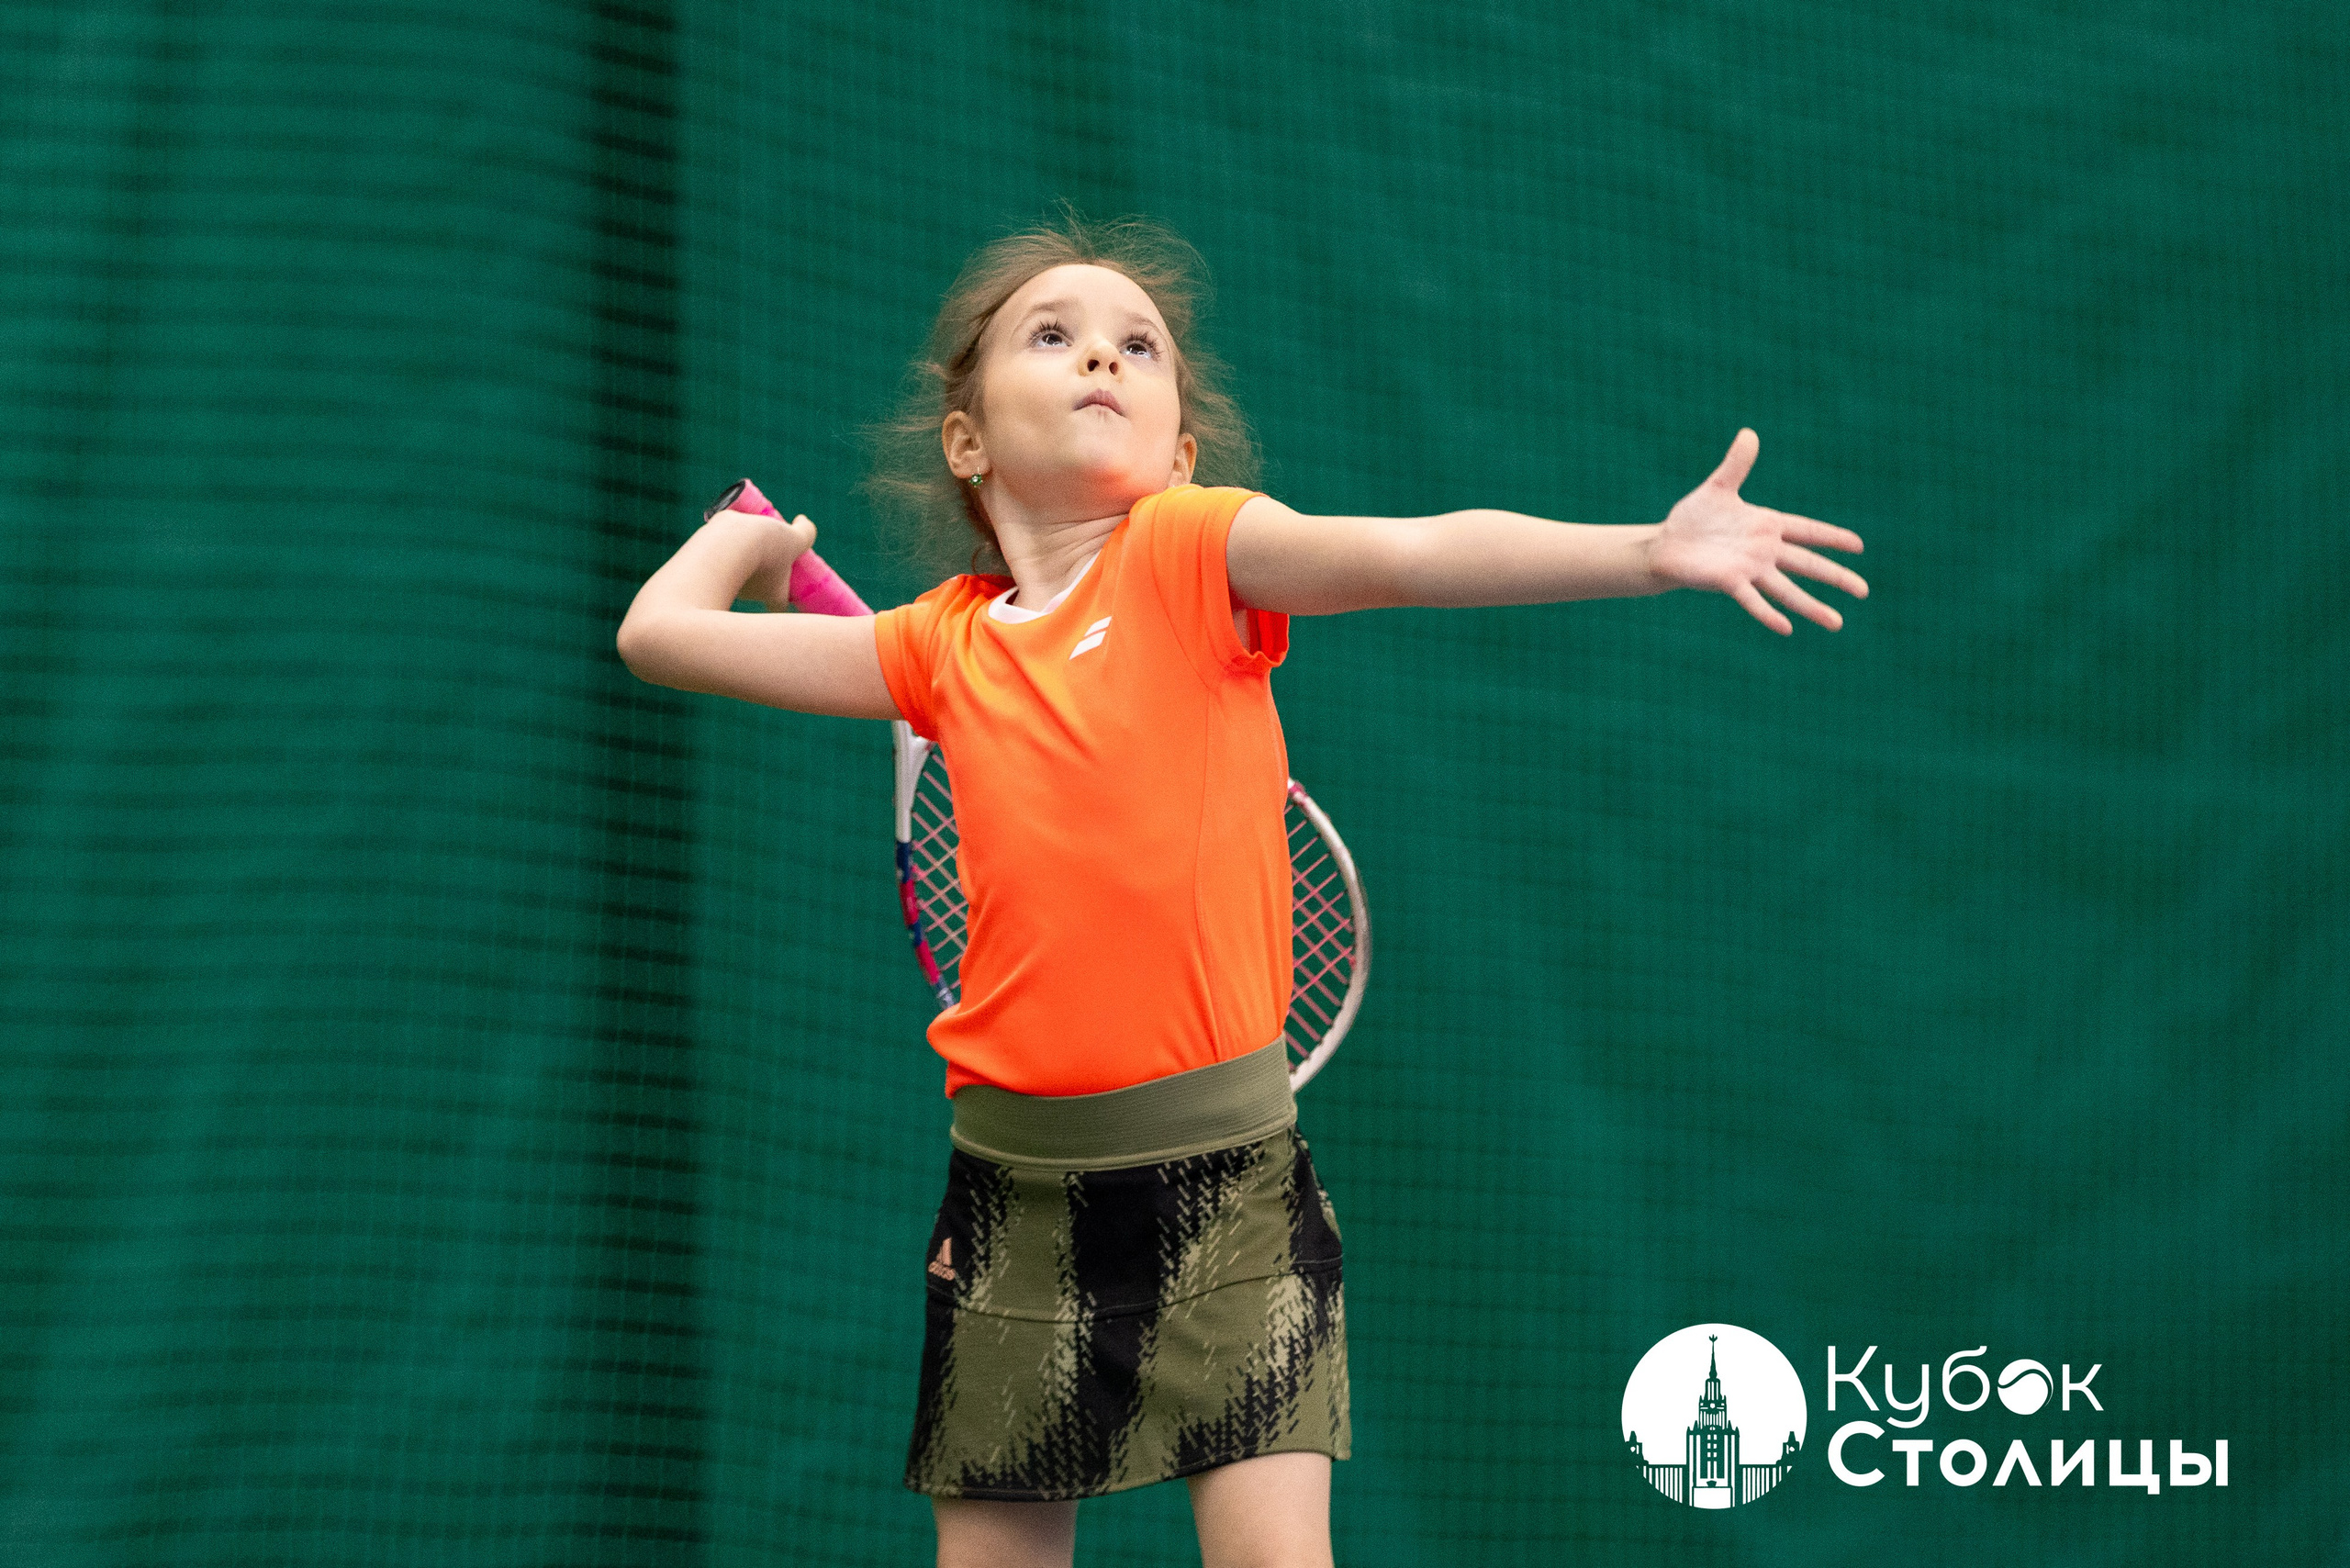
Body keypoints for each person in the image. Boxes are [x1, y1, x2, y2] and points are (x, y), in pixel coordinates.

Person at [615, 212, 1866, 1568]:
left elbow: (1412, 554)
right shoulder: (936, 649)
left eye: (1137, 347)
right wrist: (746, 548)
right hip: (1010, 1198)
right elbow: (659, 638)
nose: (1103, 356)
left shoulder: (1196, 554)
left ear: (1182, 454)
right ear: (967, 439)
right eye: (1055, 335)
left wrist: (1644, 552)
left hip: (1231, 1191)